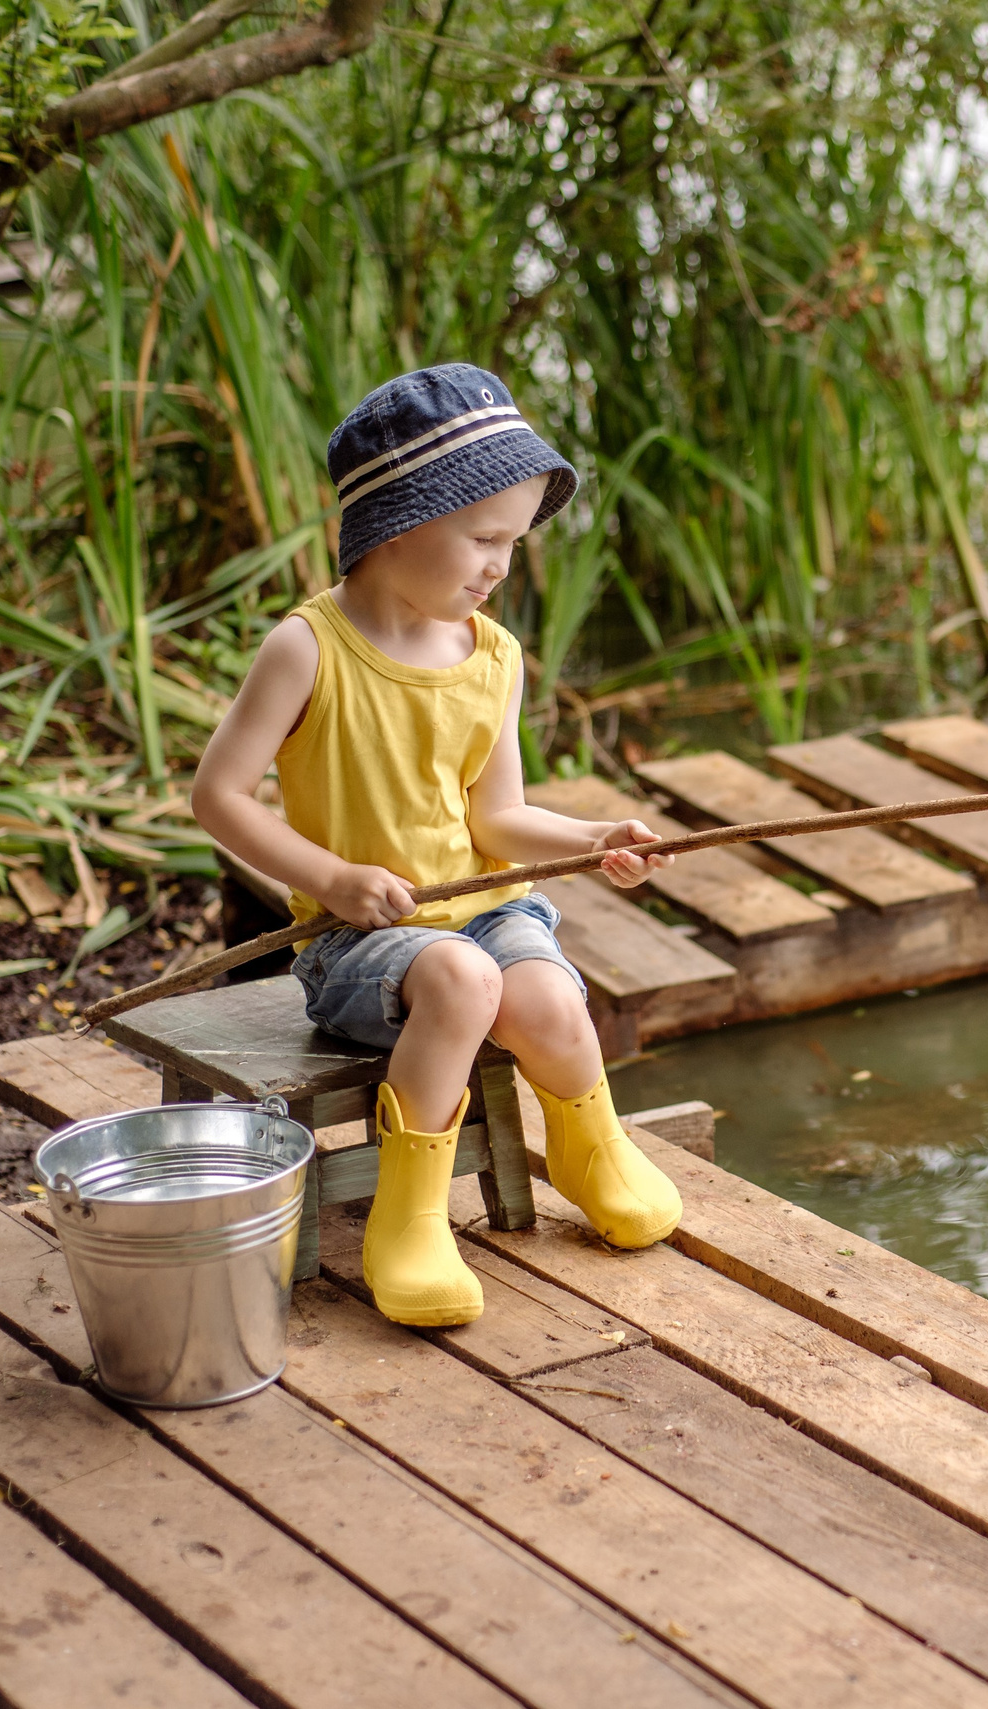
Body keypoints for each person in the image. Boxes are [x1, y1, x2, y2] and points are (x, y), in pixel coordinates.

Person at [192, 363, 681, 1328]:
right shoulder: (310, 648)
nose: (501, 566)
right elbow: (217, 795)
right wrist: (331, 878)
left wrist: (590, 839)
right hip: (358, 943)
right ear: (399, 523)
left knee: (538, 987)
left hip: (483, 910)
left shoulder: (490, 655)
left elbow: (498, 819)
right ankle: (411, 1217)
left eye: (514, 542)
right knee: (462, 981)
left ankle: (591, 1149)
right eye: (484, 538)